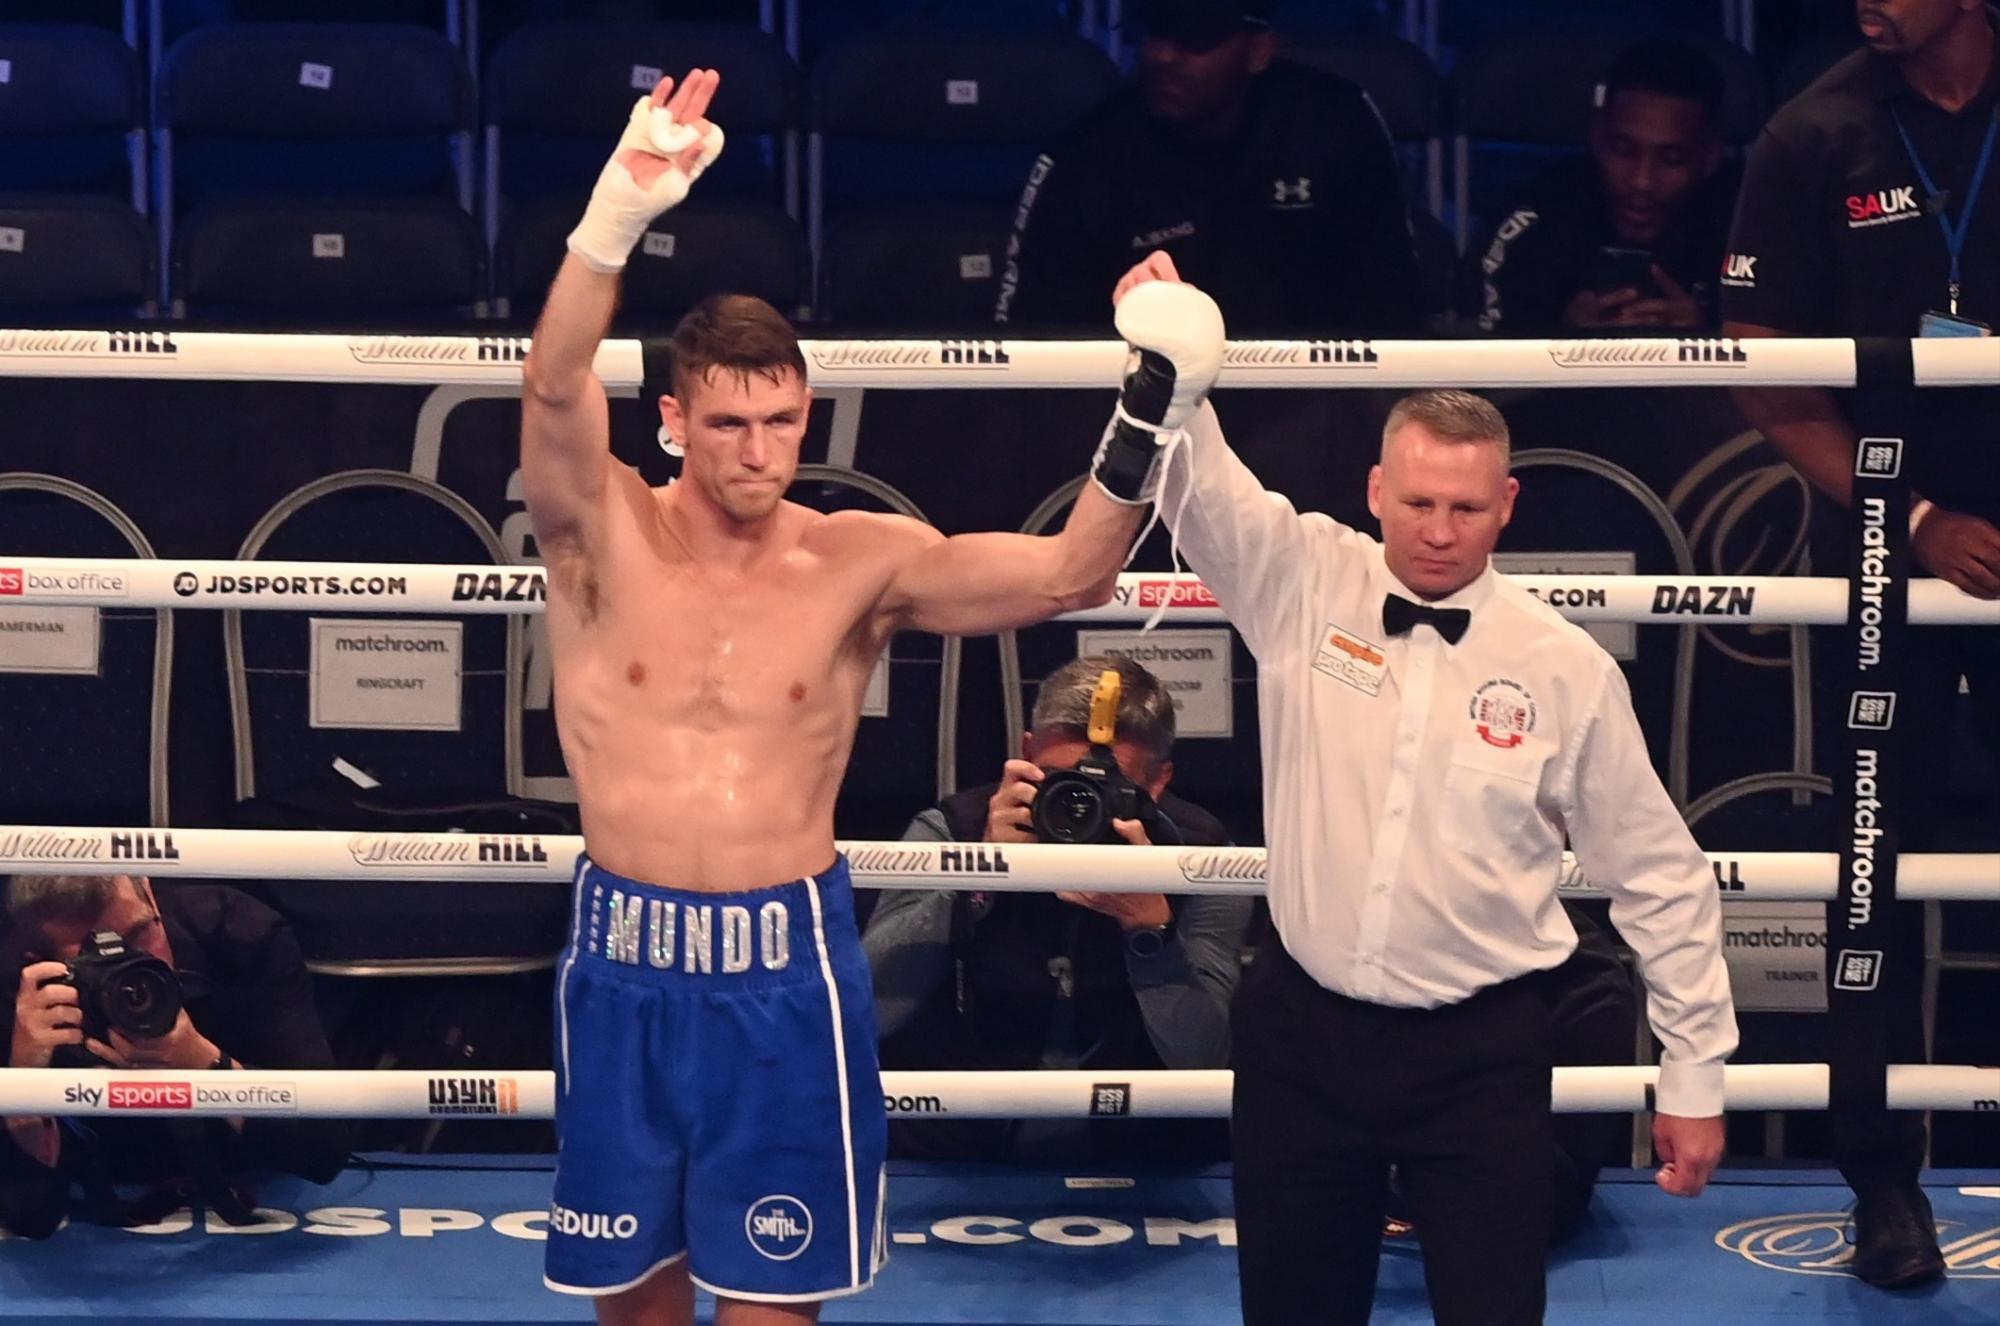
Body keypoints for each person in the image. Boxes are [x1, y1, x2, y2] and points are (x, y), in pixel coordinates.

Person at [521, 70, 1224, 1323]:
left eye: (782, 422)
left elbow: (1075, 568)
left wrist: (1152, 400)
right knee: (633, 1299)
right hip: (624, 955)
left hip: (784, 962)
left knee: (772, 1304)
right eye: (731, 424)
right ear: (674, 421)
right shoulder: (600, 533)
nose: (759, 451)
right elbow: (551, 386)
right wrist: (611, 219)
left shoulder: (858, 563)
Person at [1125, 252, 1736, 1326]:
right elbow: (1196, 484)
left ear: (1506, 506)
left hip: (1479, 1054)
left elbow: (1658, 875)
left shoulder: (1562, 667)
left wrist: (1692, 1073)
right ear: (1373, 492)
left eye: (1463, 506)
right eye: (1415, 502)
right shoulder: (1301, 578)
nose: (1438, 530)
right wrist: (1164, 347)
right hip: (1300, 1037)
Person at [1720, 0, 2000, 1289]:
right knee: (1871, 864)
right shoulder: (1810, 132)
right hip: (1893, 549)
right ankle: (1880, 1182)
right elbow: (1764, 374)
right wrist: (1920, 520)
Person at [864, 654, 1252, 1165]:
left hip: (1149, 1160)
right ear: (1026, 752)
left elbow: (1205, 1056)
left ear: (1158, 782)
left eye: (1110, 789)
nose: (1078, 804)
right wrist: (975, 880)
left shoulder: (1200, 858)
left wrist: (1149, 930)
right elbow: (868, 1014)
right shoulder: (952, 832)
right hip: (952, 1154)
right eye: (1059, 781)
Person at [994, 0, 1425, 333]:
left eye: (1195, 40)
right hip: (1142, 410)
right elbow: (1035, 338)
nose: (1165, 56)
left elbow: (1394, 309)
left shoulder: (1335, 126)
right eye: (1156, 32)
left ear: (1259, 50)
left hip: (1317, 411)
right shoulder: (1088, 155)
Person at [1, 874, 350, 1239]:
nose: (131, 968)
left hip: (254, 1179)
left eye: (138, 935)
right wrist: (25, 1078)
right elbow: (26, 1214)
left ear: (150, 894)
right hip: (97, 1197)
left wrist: (202, 1062)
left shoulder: (239, 933)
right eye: (93, 960)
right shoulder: (20, 991)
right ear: (42, 963)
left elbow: (324, 1149)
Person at [1471, 39, 1739, 333]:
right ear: (1597, 137)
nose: (1642, 181)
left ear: (1710, 156)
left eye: (1671, 159)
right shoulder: (1536, 221)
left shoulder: (1747, 227)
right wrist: (1559, 344)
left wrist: (1709, 345)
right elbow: (1470, 363)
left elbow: (1786, 359)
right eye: (1624, 151)